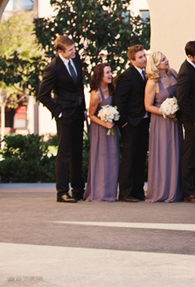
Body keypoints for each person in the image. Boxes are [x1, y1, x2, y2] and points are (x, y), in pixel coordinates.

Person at [37, 35, 86, 203]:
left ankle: (79, 190)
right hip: (64, 115)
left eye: (74, 48)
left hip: (78, 112)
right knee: (64, 154)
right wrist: (58, 112)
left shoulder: (76, 57)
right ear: (60, 51)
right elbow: (42, 95)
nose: (74, 52)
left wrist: (84, 108)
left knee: (77, 151)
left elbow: (79, 86)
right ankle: (62, 192)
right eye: (70, 50)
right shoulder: (53, 68)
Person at [144, 52, 183, 202]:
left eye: (166, 58)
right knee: (164, 154)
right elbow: (148, 106)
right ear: (155, 65)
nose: (166, 61)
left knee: (176, 152)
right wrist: (164, 111)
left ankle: (176, 189)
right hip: (161, 122)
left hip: (175, 120)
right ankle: (162, 190)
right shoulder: (152, 83)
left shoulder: (173, 73)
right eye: (162, 60)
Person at [113, 45, 150, 202]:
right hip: (131, 124)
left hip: (143, 122)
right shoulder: (126, 76)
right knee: (129, 158)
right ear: (132, 60)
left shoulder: (145, 75)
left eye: (144, 56)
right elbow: (119, 102)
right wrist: (124, 124)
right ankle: (126, 192)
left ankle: (138, 190)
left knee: (140, 158)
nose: (144, 59)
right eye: (140, 57)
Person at [84, 63, 119, 202]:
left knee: (113, 158)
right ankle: (100, 193)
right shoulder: (96, 93)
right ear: (100, 75)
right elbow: (91, 114)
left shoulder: (112, 89)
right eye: (107, 72)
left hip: (112, 128)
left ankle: (111, 193)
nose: (110, 75)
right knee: (102, 159)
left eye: (111, 72)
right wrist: (104, 123)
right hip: (100, 129)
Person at [177, 40, 195, 203]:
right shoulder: (185, 72)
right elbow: (182, 100)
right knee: (190, 157)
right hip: (192, 121)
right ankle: (188, 192)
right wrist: (194, 119)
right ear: (190, 56)